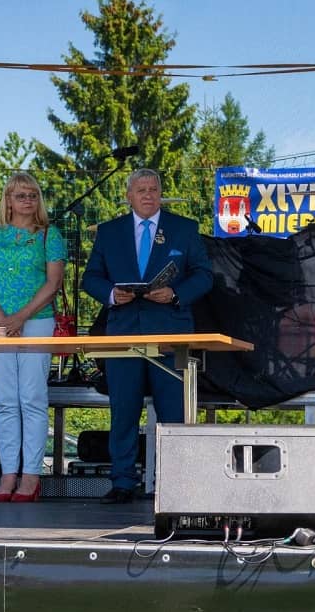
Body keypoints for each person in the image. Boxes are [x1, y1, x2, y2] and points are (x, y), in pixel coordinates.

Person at [82, 168, 213, 504]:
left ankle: (177, 483)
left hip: (170, 334)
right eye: (141, 190)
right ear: (129, 196)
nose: (148, 195)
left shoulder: (184, 229)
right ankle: (122, 481)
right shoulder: (109, 232)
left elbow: (204, 275)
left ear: (160, 194)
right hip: (123, 334)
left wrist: (176, 293)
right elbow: (91, 278)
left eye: (153, 189)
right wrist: (112, 295)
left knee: (173, 412)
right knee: (123, 411)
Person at [0, 172, 66, 503]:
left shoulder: (50, 235)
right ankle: (8, 473)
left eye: (33, 195)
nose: (27, 200)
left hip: (36, 321)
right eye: (20, 195)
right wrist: (1, 319)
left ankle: (31, 476)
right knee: (5, 399)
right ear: (8, 200)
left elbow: (53, 283)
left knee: (32, 397)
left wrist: (20, 317)